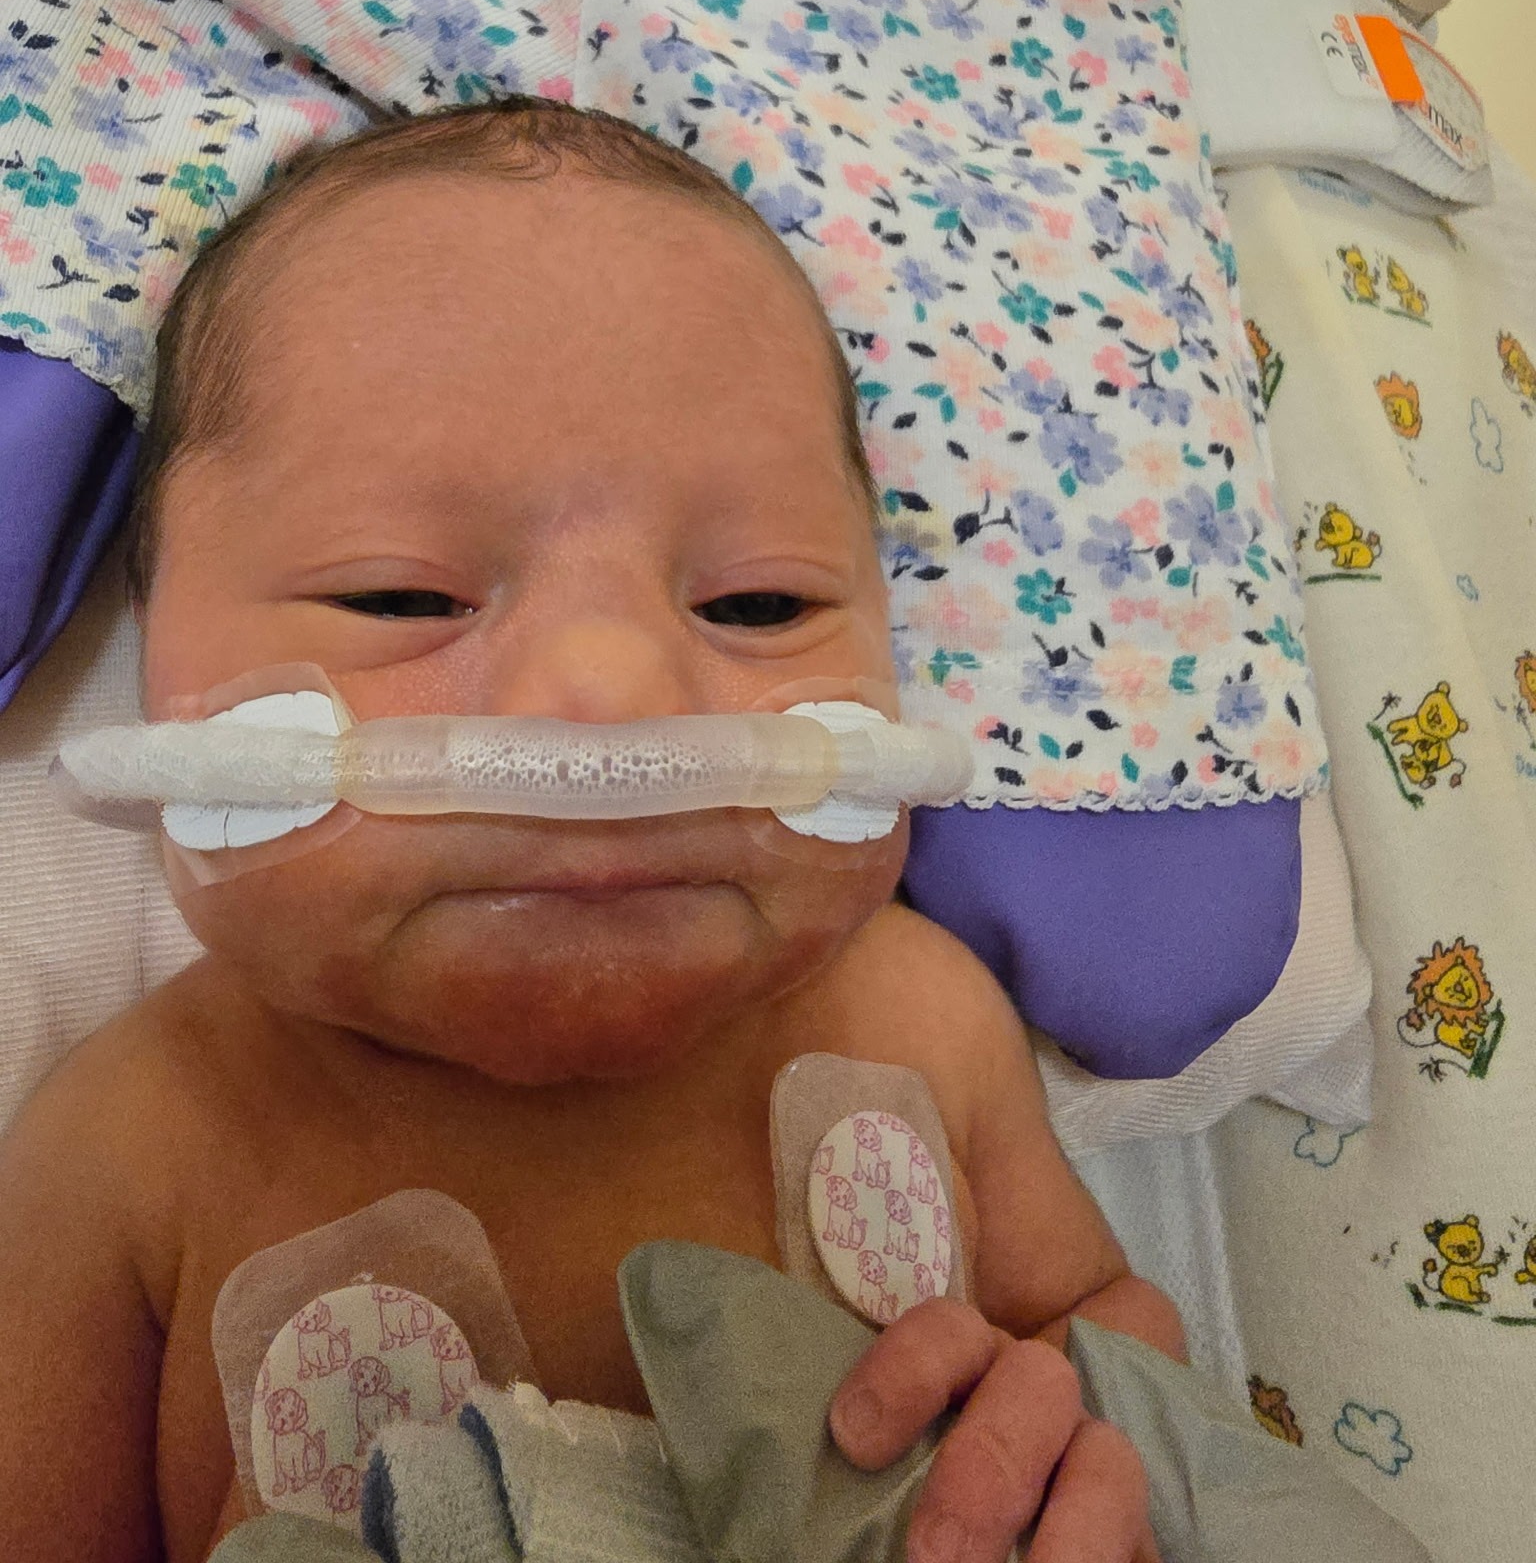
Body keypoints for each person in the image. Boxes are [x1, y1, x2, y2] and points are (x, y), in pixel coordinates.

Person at [0, 98, 1179, 1563]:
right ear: (155, 673)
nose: (612, 696)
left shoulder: (921, 1023)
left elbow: (1105, 1324)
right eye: (402, 597)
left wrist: (1072, 1426)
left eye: (756, 603)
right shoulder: (123, 1162)